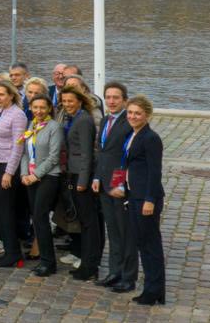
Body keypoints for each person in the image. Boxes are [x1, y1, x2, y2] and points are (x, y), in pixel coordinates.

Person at [118, 95, 165, 306]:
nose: (133, 116)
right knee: (143, 243)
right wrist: (119, 184)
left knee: (150, 246)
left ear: (147, 115)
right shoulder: (132, 134)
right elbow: (125, 163)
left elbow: (155, 173)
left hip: (146, 198)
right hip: (133, 195)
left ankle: (153, 291)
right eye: (130, 112)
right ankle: (154, 290)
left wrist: (149, 200)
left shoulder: (151, 138)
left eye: (137, 113)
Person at [92, 82, 135, 293]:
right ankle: (114, 271)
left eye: (116, 97)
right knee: (113, 231)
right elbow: (102, 151)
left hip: (120, 186)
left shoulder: (129, 122)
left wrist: (120, 183)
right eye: (108, 97)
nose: (111, 101)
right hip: (105, 185)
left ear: (124, 100)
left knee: (125, 232)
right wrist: (97, 177)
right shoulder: (106, 119)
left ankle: (128, 277)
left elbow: (127, 157)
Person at [58, 85, 100, 280]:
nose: (67, 104)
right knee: (83, 220)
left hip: (81, 175)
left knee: (88, 221)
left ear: (80, 101)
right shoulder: (73, 118)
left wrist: (82, 181)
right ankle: (87, 260)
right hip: (73, 172)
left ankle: (90, 264)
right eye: (64, 101)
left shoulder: (83, 120)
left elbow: (86, 153)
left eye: (70, 101)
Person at [0, 81, 28, 268]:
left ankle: (13, 253)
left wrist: (8, 173)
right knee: (0, 209)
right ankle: (9, 248)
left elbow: (18, 145)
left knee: (7, 209)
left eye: (2, 94)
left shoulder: (18, 115)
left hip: (10, 166)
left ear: (11, 95)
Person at [20, 94, 63, 276]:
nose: (38, 111)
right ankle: (45, 258)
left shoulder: (54, 127)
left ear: (49, 109)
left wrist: (36, 175)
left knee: (40, 216)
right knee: (36, 217)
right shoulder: (32, 125)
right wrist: (24, 174)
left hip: (47, 177)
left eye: (42, 108)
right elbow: (25, 153)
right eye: (35, 107)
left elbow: (54, 157)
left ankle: (48, 261)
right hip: (30, 176)